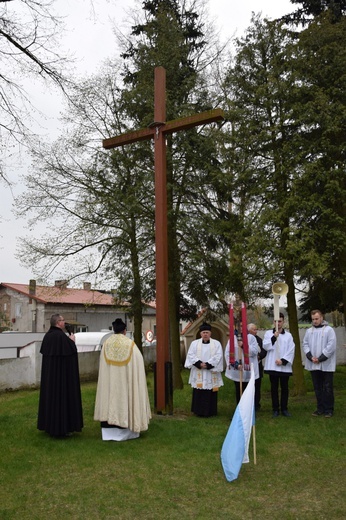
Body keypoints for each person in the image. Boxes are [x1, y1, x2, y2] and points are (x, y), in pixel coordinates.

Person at [94, 318, 151, 441]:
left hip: (110, 384)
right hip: (126, 384)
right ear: (125, 331)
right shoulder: (130, 345)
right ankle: (127, 430)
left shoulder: (106, 344)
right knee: (126, 398)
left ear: (114, 330)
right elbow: (138, 363)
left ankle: (109, 432)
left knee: (110, 398)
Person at [37, 314, 83, 437]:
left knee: (51, 398)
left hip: (50, 379)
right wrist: (72, 342)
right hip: (61, 379)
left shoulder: (48, 336)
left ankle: (49, 425)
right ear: (58, 323)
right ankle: (62, 427)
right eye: (63, 320)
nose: (64, 322)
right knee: (61, 399)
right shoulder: (61, 337)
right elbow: (70, 354)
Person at [184, 322, 224, 417]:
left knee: (210, 390)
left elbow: (218, 355)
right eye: (203, 332)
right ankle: (198, 411)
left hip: (211, 371)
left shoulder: (216, 343)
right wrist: (199, 363)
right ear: (200, 334)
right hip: (199, 371)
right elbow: (190, 355)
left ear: (210, 333)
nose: (205, 334)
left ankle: (211, 411)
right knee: (199, 390)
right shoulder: (194, 343)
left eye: (207, 332)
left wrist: (208, 364)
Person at [303, 309, 336, 418]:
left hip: (326, 364)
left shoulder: (329, 330)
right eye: (313, 319)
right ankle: (320, 408)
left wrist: (321, 358)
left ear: (322, 318)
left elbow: (331, 346)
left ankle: (329, 409)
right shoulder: (309, 331)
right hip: (313, 363)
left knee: (327, 387)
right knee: (317, 387)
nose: (315, 321)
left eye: (317, 319)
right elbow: (305, 344)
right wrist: (310, 356)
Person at [263, 313, 295, 418]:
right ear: (273, 322)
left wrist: (283, 360)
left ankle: (284, 408)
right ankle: (275, 409)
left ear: (283, 322)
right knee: (274, 388)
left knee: (285, 388)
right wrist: (274, 337)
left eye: (280, 321)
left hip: (284, 366)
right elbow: (266, 346)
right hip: (273, 366)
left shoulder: (288, 335)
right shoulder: (268, 333)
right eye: (276, 321)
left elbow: (291, 349)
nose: (278, 323)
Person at [224, 333, 260, 404]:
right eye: (239, 326)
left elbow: (255, 351)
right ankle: (240, 407)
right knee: (239, 390)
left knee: (249, 390)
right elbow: (228, 353)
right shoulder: (232, 339)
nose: (240, 328)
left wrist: (244, 346)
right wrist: (235, 364)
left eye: (242, 325)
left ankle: (249, 408)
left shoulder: (251, 338)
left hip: (249, 368)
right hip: (238, 369)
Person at [248, 323, 267, 411]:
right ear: (248, 330)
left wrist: (259, 356)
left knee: (257, 386)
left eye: (256, 329)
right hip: (248, 365)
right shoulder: (246, 339)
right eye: (254, 329)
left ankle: (256, 404)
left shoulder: (259, 339)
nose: (256, 331)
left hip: (257, 365)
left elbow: (264, 350)